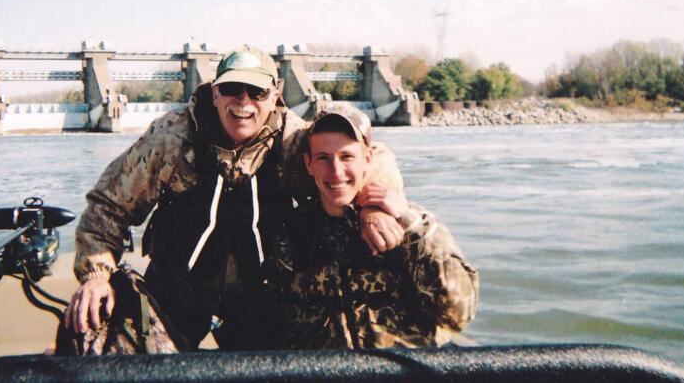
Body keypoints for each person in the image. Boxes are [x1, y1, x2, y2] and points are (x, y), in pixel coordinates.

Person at [64, 46, 408, 351]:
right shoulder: (171, 139)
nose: (243, 102)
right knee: (94, 327)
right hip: (173, 295)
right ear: (215, 93)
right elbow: (107, 206)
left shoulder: (293, 140)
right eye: (231, 89)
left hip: (263, 299)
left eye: (257, 92)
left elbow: (371, 156)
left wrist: (372, 208)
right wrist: (96, 275)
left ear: (274, 96)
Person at [266, 104, 479, 349]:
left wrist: (409, 226)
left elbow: (458, 312)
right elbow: (278, 318)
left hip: (400, 365)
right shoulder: (293, 232)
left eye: (347, 157)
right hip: (326, 367)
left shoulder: (414, 224)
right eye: (324, 158)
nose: (336, 172)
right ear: (309, 164)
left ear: (367, 159)